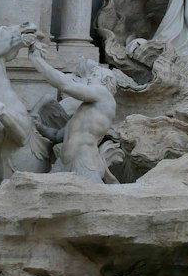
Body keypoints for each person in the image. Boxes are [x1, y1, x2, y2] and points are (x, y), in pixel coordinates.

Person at [28, 43, 123, 184]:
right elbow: (57, 136)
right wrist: (40, 126)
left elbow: (67, 86)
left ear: (106, 81)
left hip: (84, 161)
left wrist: (37, 60)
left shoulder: (104, 94)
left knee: (92, 202)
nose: (89, 78)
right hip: (64, 163)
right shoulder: (86, 110)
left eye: (94, 75)